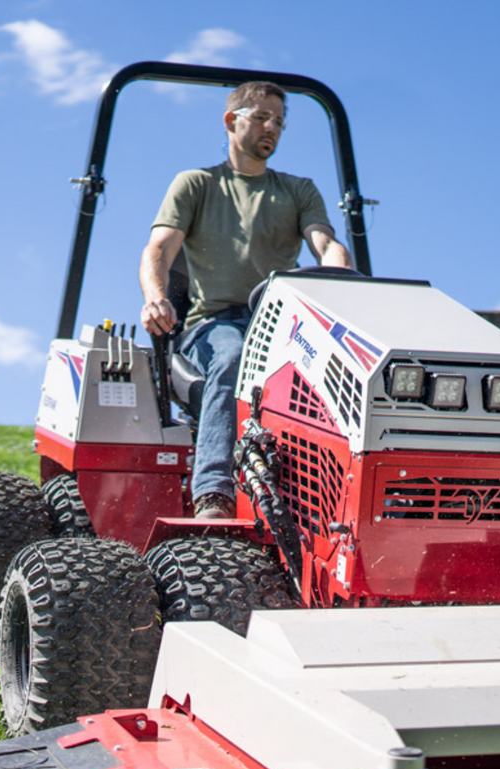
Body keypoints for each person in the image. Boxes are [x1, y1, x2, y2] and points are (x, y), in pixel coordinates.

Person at [139, 81, 352, 519]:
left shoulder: (298, 190)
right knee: (235, 359)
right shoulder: (197, 184)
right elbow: (159, 250)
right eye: (260, 118)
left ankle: (325, 509)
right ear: (231, 120)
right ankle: (213, 492)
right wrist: (156, 298)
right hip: (212, 325)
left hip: (277, 326)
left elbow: (325, 244)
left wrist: (341, 274)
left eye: (278, 122)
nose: (271, 128)